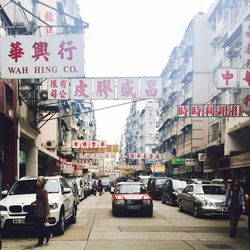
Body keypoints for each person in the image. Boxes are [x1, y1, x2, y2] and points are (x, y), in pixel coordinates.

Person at [33, 176, 52, 247]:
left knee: (40, 227)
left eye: (39, 181)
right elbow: (39, 199)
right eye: (37, 181)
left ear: (42, 183)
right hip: (37, 211)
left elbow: (46, 203)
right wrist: (34, 202)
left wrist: (47, 214)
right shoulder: (38, 190)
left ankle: (40, 242)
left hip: (42, 212)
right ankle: (47, 235)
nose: (37, 183)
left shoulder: (44, 191)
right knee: (38, 227)